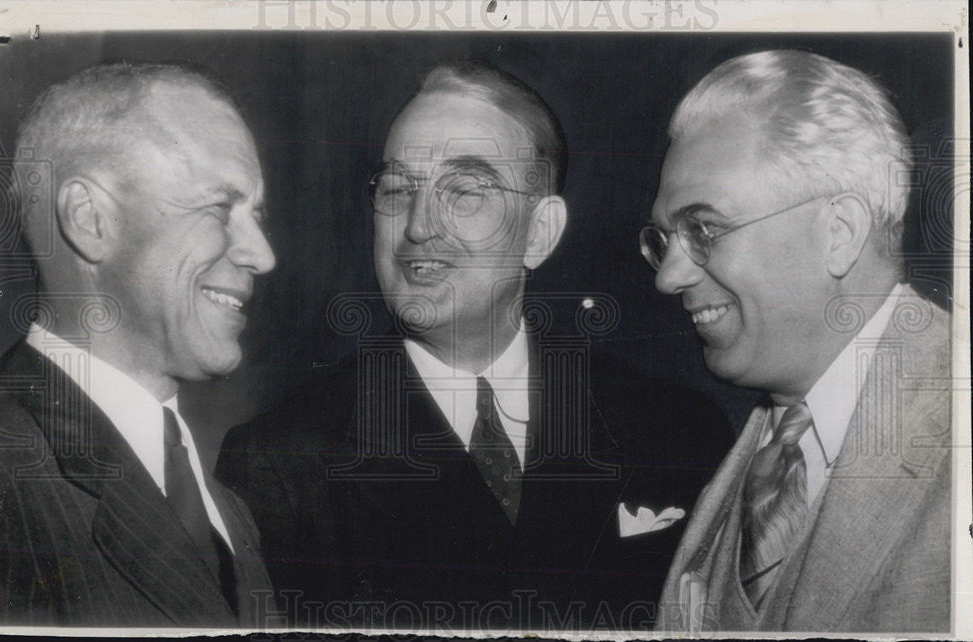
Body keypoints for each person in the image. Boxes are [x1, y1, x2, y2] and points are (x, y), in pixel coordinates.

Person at [218, 60, 731, 631]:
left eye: (464, 190)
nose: (417, 226)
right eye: (397, 189)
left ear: (539, 232)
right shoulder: (279, 464)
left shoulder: (676, 428)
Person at [641, 50, 951, 632]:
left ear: (840, 232)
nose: (667, 276)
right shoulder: (753, 458)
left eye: (703, 230)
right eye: (663, 240)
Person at [0, 61, 277, 627]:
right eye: (220, 208)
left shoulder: (230, 512)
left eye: (258, 214)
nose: (262, 255)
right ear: (91, 219)